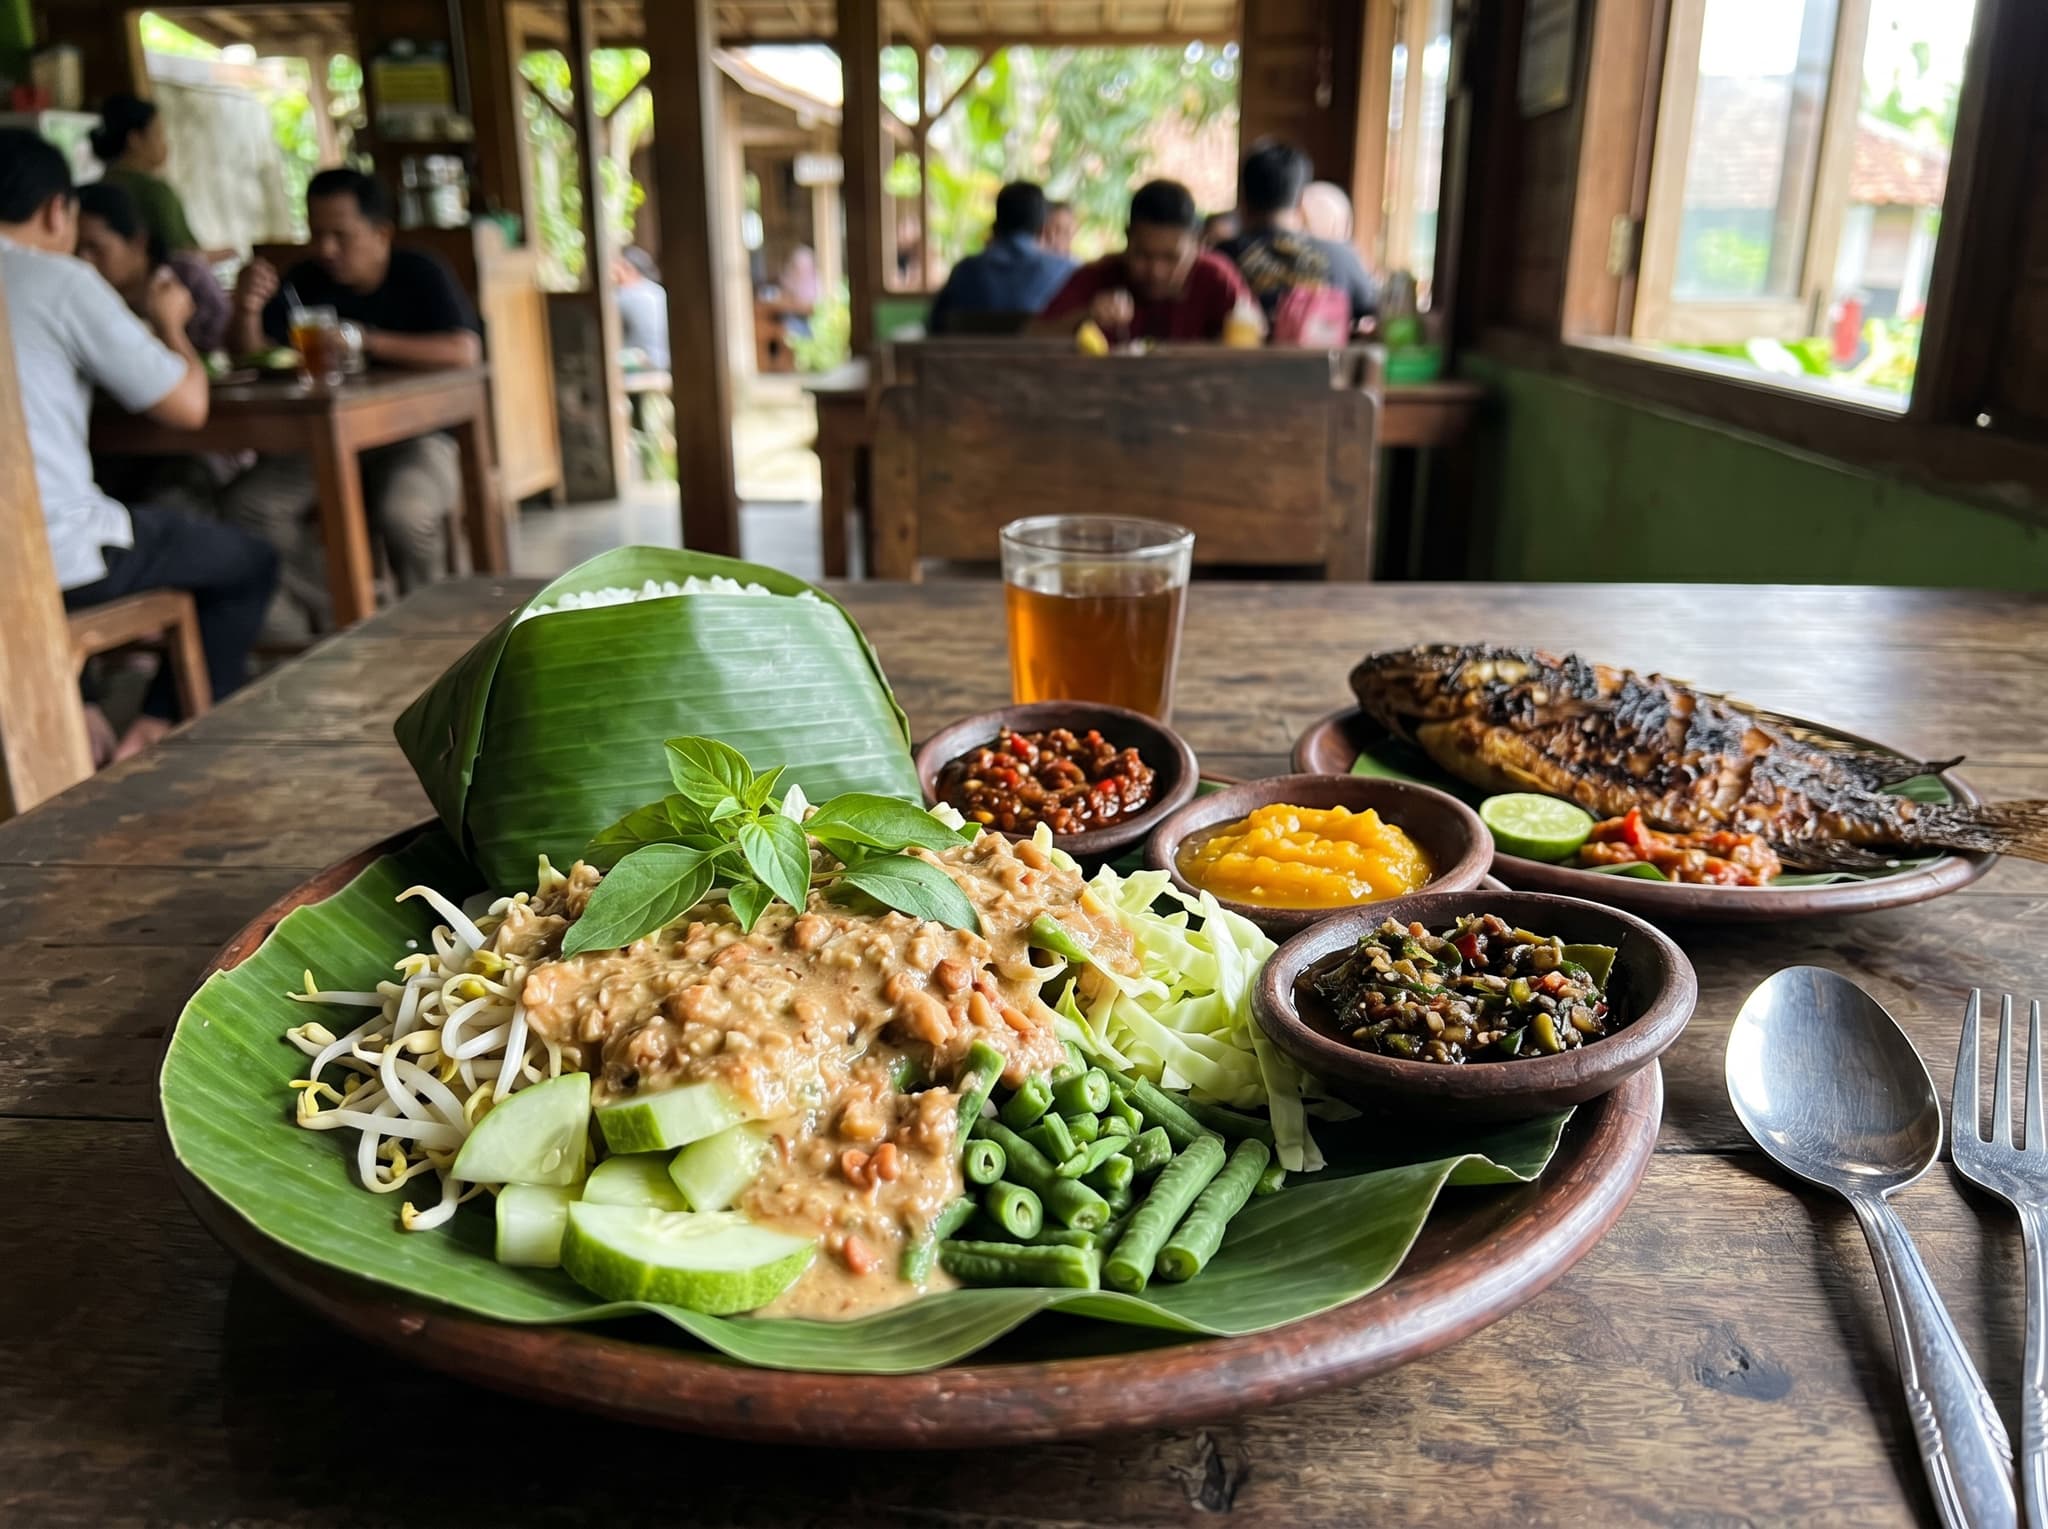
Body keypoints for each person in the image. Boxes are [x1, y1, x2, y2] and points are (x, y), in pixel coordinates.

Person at [0, 129, 275, 761]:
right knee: (247, 563)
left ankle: (83, 698)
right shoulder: (58, 279)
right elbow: (188, 405)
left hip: (38, 556)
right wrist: (171, 326)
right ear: (54, 211)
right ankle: (154, 735)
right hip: (52, 562)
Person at [223, 168, 481, 635]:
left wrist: (364, 340)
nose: (326, 249)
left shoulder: (419, 272)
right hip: (324, 443)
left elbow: (464, 351)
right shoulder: (305, 280)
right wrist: (245, 310)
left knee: (407, 514)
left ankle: (435, 629)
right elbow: (252, 353)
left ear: (381, 233)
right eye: (317, 234)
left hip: (416, 438)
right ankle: (356, 613)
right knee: (249, 506)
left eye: (341, 236)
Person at [1033, 179, 1252, 344]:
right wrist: (1086, 317)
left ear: (1198, 246)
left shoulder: (1216, 278)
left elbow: (1253, 336)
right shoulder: (1099, 276)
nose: (1155, 271)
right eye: (1143, 255)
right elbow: (1031, 336)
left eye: (1170, 258)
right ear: (1127, 239)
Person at [1217, 142, 1377, 341]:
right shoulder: (1343, 257)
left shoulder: (1219, 258)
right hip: (1324, 370)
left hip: (1234, 370)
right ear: (1302, 200)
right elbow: (1373, 317)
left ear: (1243, 200)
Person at [74, 180, 227, 352]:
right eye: (74, 249)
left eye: (95, 248)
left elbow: (224, 349)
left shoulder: (188, 277)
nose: (83, 260)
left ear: (138, 241)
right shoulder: (81, 296)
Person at [926, 181, 1076, 334]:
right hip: (1045, 358)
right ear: (1043, 227)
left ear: (996, 224)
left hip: (973, 357)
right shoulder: (1068, 272)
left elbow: (935, 326)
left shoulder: (964, 271)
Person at [89, 93, 200, 255]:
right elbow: (184, 257)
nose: (165, 143)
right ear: (134, 140)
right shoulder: (155, 192)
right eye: (158, 134)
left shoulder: (96, 189)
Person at [612, 245, 669, 368]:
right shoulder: (657, 292)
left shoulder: (622, 296)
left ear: (628, 268)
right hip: (664, 359)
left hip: (642, 363)